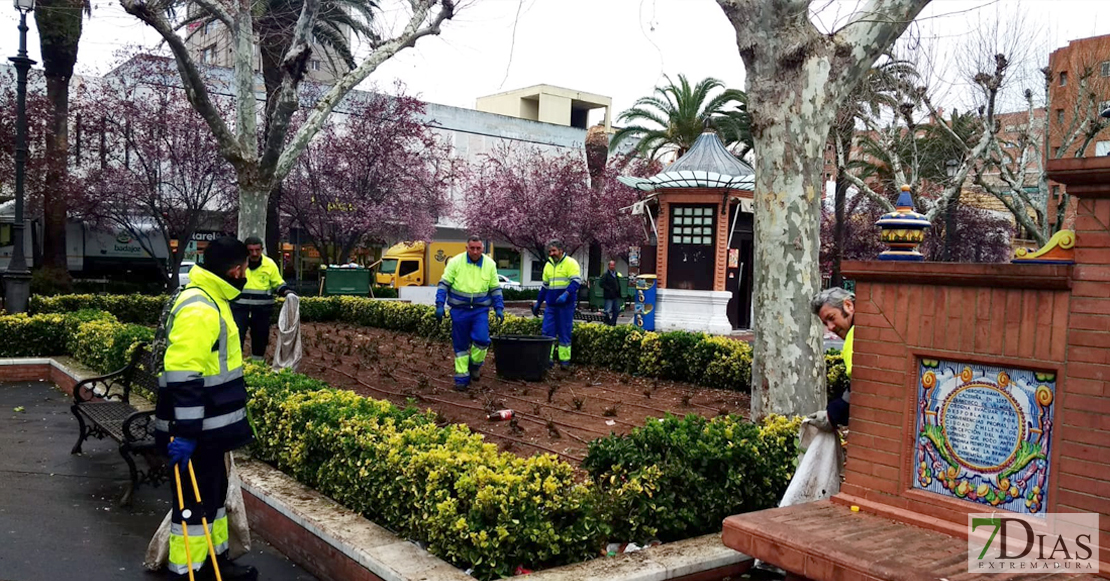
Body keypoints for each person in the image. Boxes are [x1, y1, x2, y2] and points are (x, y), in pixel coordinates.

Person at [156, 236, 258, 580]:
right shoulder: (201, 307)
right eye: (244, 267)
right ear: (236, 269)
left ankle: (216, 560)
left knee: (212, 499)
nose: (246, 273)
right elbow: (184, 377)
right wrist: (185, 433)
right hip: (195, 432)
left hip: (209, 431)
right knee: (192, 505)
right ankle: (187, 570)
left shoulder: (213, 299)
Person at [435, 236, 504, 390]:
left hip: (480, 311)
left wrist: (499, 307)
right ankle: (461, 378)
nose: (475, 251)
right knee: (460, 346)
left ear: (482, 249)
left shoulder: (489, 264)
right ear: (466, 248)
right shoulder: (455, 262)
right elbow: (444, 284)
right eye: (472, 248)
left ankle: (474, 365)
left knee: (482, 340)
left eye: (478, 248)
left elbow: (495, 288)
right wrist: (439, 304)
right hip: (459, 311)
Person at [231, 237, 292, 362]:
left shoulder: (269, 264)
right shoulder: (237, 264)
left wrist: (286, 291)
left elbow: (277, 283)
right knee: (235, 337)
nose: (254, 254)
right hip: (239, 309)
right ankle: (235, 366)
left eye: (257, 250)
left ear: (262, 250)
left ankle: (257, 366)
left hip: (262, 310)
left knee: (260, 338)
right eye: (251, 250)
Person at [531, 240, 582, 369]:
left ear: (561, 250)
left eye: (554, 251)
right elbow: (545, 286)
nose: (551, 253)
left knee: (564, 332)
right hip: (551, 305)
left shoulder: (571, 263)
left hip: (565, 305)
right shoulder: (548, 266)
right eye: (550, 251)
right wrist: (538, 302)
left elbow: (575, 282)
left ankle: (565, 361)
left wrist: (566, 294)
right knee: (547, 332)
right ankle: (547, 359)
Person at [811, 287, 854, 428]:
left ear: (848, 306)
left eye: (831, 318)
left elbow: (860, 385)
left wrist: (833, 413)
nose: (830, 327)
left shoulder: (855, 336)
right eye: (825, 323)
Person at [598, 260, 622, 326]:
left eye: (613, 265)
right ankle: (607, 323)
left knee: (616, 310)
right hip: (609, 296)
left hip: (615, 296)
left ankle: (612, 322)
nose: (613, 266)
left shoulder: (615, 274)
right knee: (607, 311)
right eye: (611, 265)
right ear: (609, 266)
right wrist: (608, 289)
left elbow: (618, 284)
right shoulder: (605, 274)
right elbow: (601, 283)